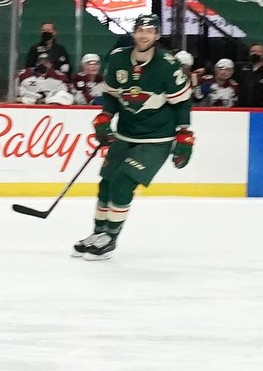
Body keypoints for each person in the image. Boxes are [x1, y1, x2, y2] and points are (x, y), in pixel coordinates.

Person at [77, 14, 193, 259]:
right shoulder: (119, 58)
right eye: (140, 30)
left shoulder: (167, 64)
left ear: (157, 36)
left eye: (150, 32)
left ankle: (110, 237)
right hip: (126, 133)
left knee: (123, 181)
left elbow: (182, 101)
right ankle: (98, 233)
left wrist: (184, 135)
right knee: (106, 181)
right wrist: (104, 118)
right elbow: (111, 95)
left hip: (156, 138)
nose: (144, 35)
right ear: (134, 33)